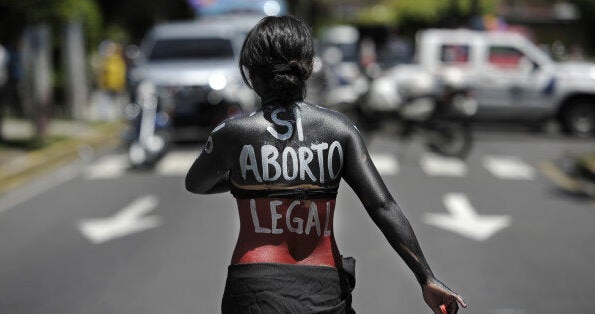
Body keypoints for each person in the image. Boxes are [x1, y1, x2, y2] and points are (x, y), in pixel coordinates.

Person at [186, 16, 466, 314]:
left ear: (252, 73)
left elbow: (196, 183)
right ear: (306, 68)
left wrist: (245, 179)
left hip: (254, 288)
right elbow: (383, 206)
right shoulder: (339, 129)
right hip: (324, 288)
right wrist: (426, 277)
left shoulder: (233, 133)